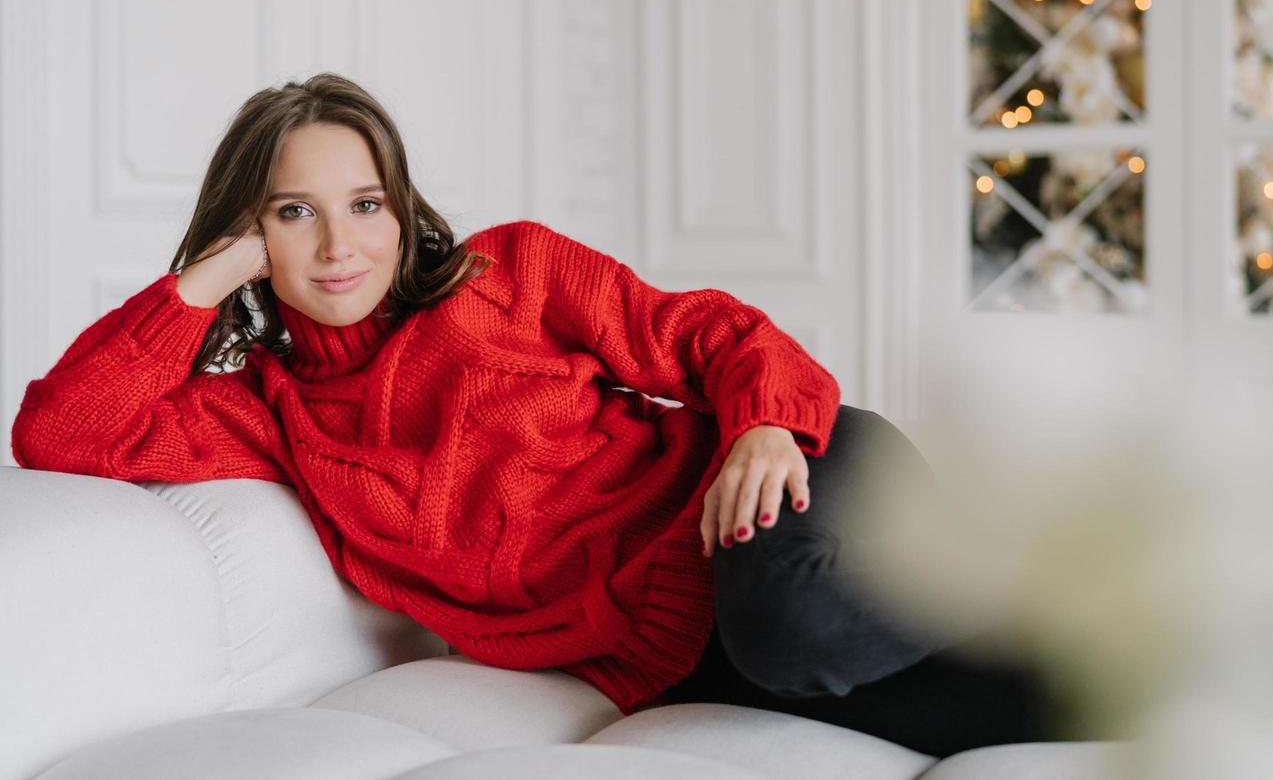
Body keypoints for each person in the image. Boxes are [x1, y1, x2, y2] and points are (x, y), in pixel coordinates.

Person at [10, 72, 1065, 756]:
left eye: (365, 203)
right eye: (296, 212)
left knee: (788, 620)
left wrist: (762, 424)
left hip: (780, 482)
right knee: (1016, 709)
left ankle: (1034, 550)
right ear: (252, 231)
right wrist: (207, 277)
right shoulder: (269, 414)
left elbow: (711, 333)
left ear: (401, 207)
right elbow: (57, 433)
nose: (340, 244)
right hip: (702, 651)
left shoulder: (503, 270)